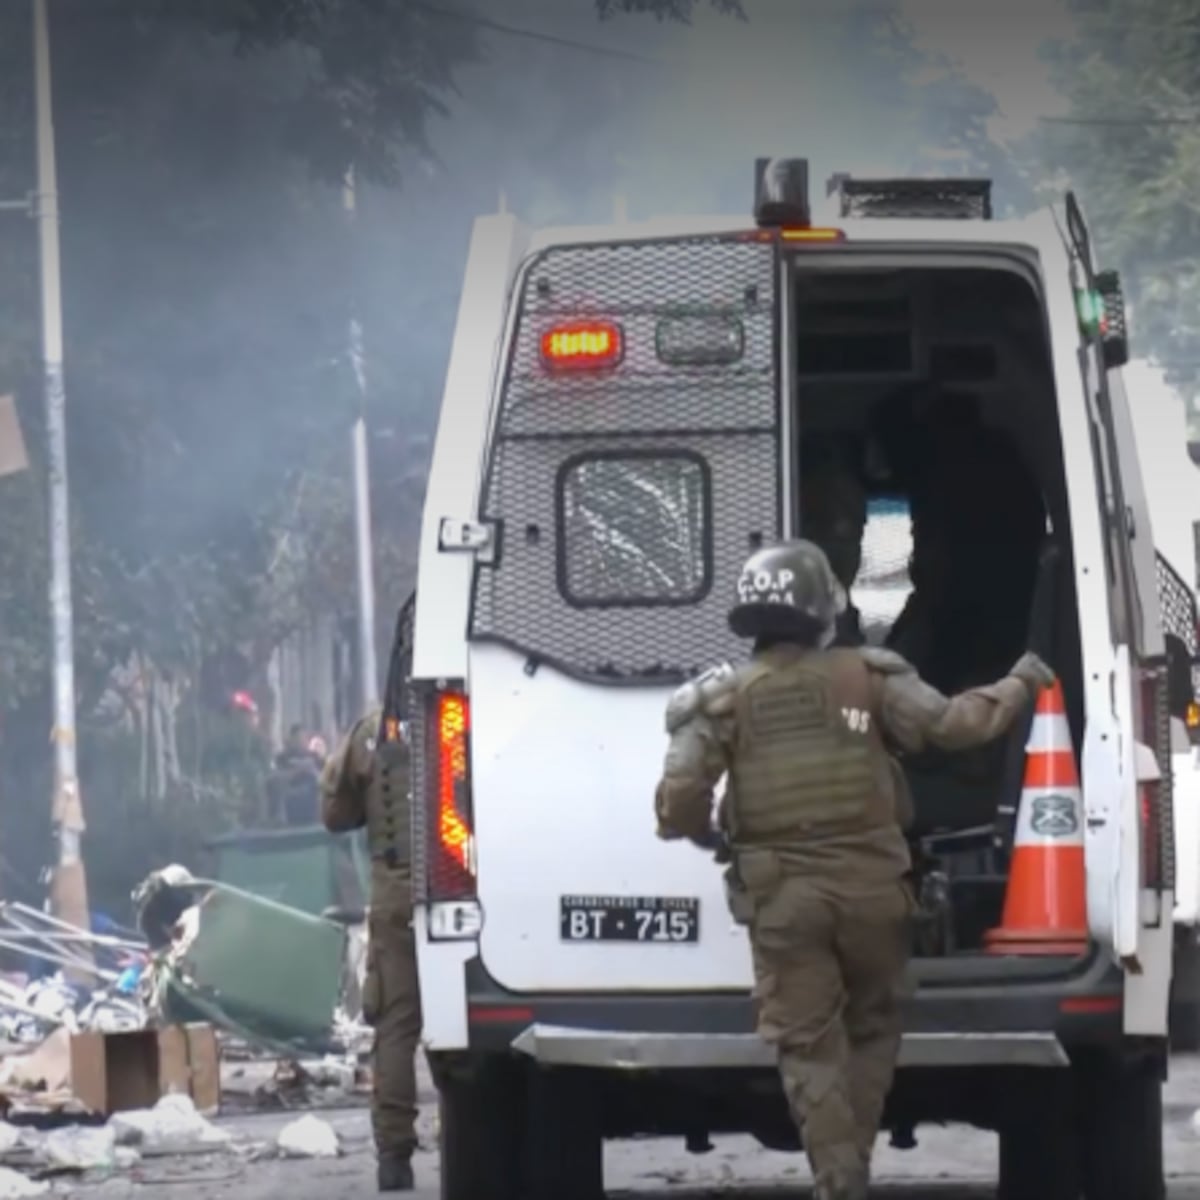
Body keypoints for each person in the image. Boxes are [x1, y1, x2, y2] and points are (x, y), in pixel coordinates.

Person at [653, 540, 1055, 1200]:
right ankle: (848, 1174)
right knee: (871, 1029)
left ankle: (839, 1182)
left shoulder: (723, 700)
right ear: (823, 611)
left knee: (808, 1046)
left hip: (781, 900)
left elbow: (678, 802)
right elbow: (955, 727)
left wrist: (707, 837)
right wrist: (1020, 682)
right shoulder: (869, 679)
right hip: (875, 891)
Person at [321, 708, 422, 1192]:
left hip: (396, 892)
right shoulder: (475, 703)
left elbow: (336, 815)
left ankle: (395, 1160)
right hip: (471, 888)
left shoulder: (374, 728)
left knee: (398, 1028)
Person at [268, 724, 322, 827]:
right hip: (290, 794)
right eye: (297, 739)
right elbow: (276, 778)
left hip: (311, 797)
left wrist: (313, 772)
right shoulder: (282, 758)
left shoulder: (314, 757)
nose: (300, 742)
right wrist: (297, 771)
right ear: (292, 740)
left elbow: (323, 776)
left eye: (303, 739)